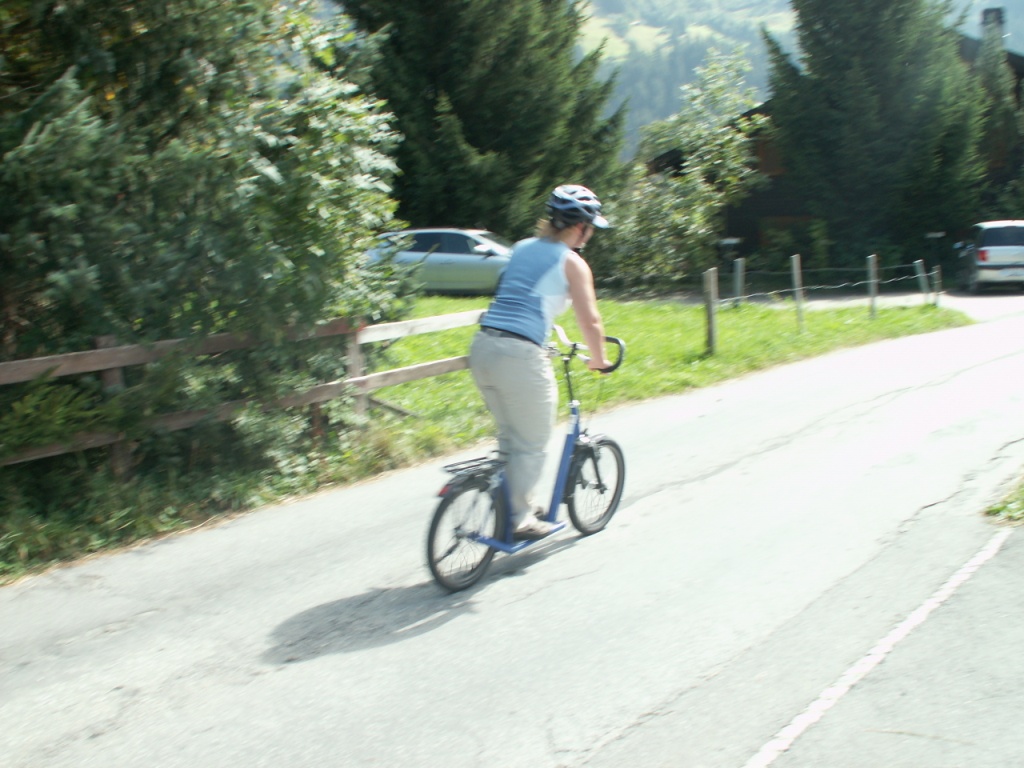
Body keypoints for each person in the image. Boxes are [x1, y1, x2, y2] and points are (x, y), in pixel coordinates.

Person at [470, 184, 612, 540]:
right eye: (591, 227)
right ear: (580, 227)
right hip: (518, 356)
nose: (591, 234)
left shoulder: (521, 247)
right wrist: (599, 359)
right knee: (532, 442)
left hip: (483, 348)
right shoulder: (572, 262)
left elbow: (521, 294)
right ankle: (518, 519)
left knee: (510, 436)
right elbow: (591, 321)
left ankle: (511, 504)